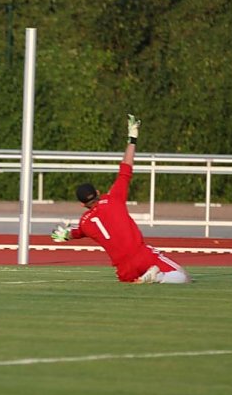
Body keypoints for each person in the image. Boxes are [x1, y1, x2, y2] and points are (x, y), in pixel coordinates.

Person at [50, 115, 192, 284]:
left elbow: (75, 233)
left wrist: (65, 234)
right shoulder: (114, 198)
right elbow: (126, 167)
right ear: (97, 191)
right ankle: (159, 276)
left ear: (82, 204)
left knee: (137, 284)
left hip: (124, 270)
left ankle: (149, 278)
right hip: (142, 256)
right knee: (183, 276)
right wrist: (132, 139)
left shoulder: (85, 223)